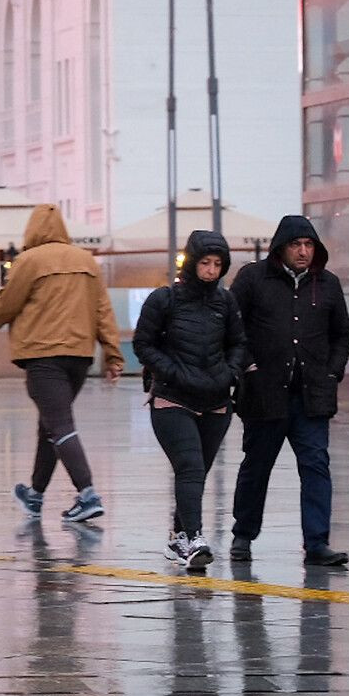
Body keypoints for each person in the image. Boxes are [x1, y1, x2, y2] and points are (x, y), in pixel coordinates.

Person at [0, 204, 124, 523]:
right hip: (79, 357)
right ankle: (35, 495)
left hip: (43, 356)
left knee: (60, 424)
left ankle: (88, 494)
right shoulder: (86, 261)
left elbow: (5, 304)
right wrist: (112, 354)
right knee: (50, 425)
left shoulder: (29, 260)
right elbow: (103, 311)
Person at [229, 215, 349, 566]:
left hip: (311, 396)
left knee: (316, 465)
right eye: (296, 245)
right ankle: (243, 535)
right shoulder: (253, 278)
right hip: (264, 394)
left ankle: (317, 542)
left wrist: (332, 372)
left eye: (309, 245)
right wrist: (248, 366)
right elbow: (232, 327)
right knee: (257, 466)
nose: (303, 251)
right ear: (281, 248)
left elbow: (342, 334)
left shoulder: (328, 283)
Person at [133, 230, 246, 571]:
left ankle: (178, 535)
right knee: (191, 467)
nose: (211, 270)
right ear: (192, 262)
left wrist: (229, 373)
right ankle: (195, 539)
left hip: (216, 401)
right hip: (173, 399)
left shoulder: (226, 302)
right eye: (205, 263)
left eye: (217, 264)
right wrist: (172, 372)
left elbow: (238, 343)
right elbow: (143, 344)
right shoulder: (164, 299)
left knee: (197, 473)